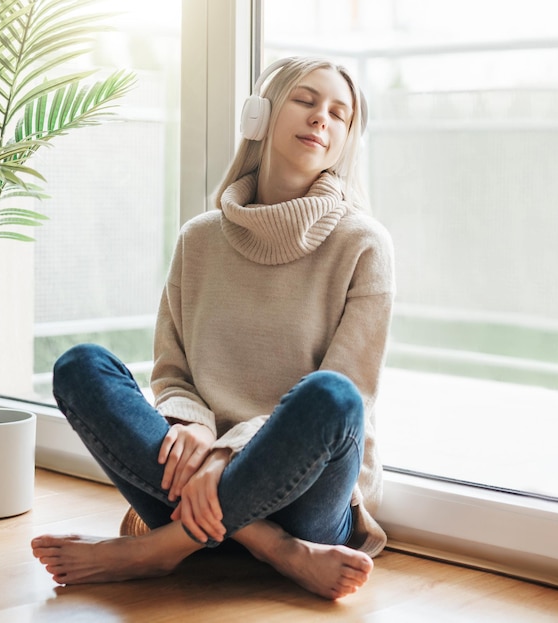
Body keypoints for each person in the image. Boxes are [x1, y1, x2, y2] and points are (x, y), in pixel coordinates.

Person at [32, 56, 396, 601]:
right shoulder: (200, 240)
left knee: (332, 396)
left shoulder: (364, 245)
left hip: (304, 504)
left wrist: (226, 454)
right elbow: (173, 373)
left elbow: (351, 396)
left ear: (347, 140)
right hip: (189, 481)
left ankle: (160, 551)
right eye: (306, 100)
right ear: (259, 114)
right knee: (80, 367)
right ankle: (273, 548)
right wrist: (198, 429)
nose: (322, 118)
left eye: (339, 114)